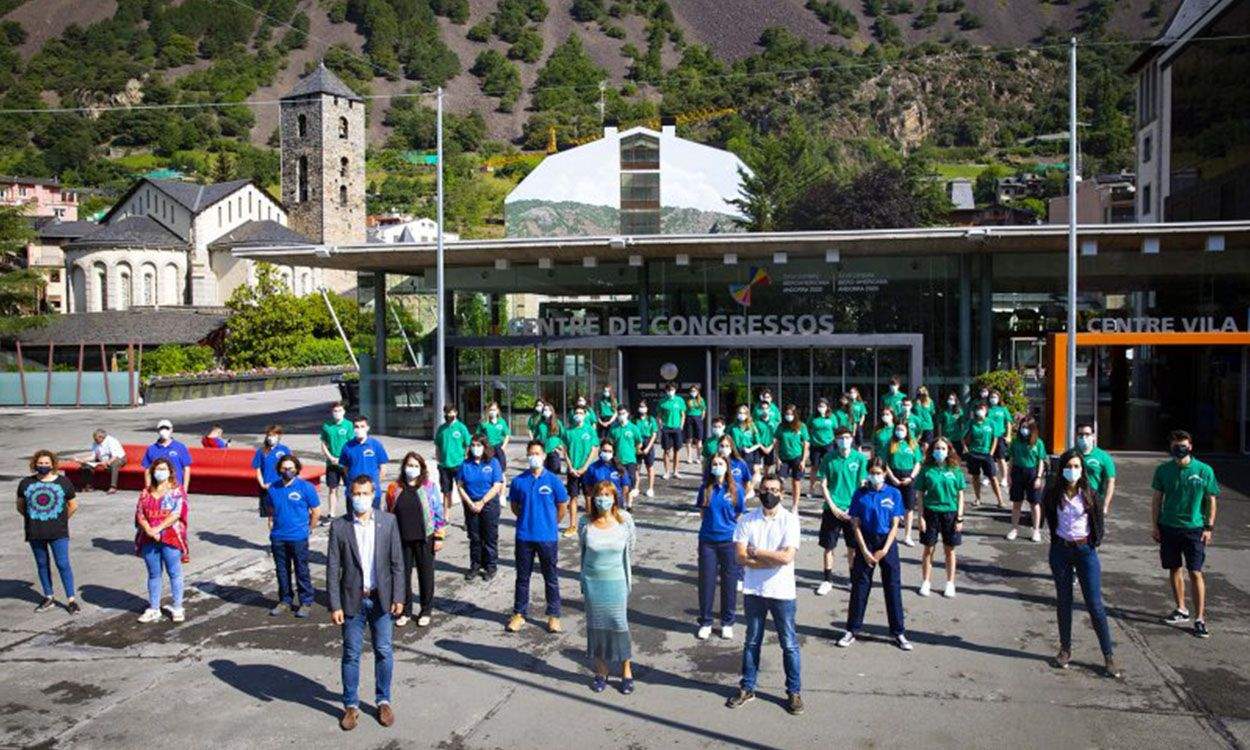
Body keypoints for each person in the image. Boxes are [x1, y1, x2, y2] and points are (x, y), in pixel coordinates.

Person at [327, 476, 405, 731]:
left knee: (384, 650)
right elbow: (332, 568)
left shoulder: (388, 522)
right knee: (351, 654)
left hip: (381, 600)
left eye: (365, 493)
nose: (360, 498)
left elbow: (397, 564)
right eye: (356, 494)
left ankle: (383, 700)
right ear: (350, 495)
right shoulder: (339, 526)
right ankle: (351, 705)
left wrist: (398, 597)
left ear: (374, 494)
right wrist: (334, 604)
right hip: (352, 600)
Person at [726, 475, 803, 715]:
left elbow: (787, 557)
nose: (769, 493)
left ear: (782, 493)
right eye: (765, 489)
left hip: (782, 592)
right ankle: (747, 688)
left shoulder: (790, 521)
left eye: (774, 489)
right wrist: (770, 560)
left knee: (789, 644)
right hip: (754, 591)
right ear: (759, 492)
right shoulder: (747, 520)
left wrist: (757, 553)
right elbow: (740, 556)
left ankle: (794, 692)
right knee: (752, 641)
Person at [1042, 451, 1119, 678]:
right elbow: (1050, 518)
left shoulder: (1090, 494)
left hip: (1085, 552)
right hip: (1061, 551)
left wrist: (1092, 543)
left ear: (1082, 469)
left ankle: (1108, 656)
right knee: (1063, 601)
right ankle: (1065, 650)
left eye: (1077, 466)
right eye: (1069, 466)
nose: (1072, 470)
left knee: (1094, 604)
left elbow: (1098, 524)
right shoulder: (1053, 494)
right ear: (1062, 468)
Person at [1151, 430, 1219, 639]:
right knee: (1174, 568)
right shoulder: (1163, 470)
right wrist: (1155, 526)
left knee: (1195, 571)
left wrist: (1208, 527)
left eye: (1182, 444)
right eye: (1175, 444)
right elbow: (1157, 499)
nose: (1178, 448)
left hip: (1194, 529)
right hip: (1169, 526)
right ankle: (1181, 608)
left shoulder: (1204, 470)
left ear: (1190, 446)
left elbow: (1211, 500)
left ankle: (1200, 619)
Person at [838, 458, 911, 651]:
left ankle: (898, 632)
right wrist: (864, 550)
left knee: (892, 586)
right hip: (866, 541)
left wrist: (885, 550)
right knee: (860, 587)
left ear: (885, 473)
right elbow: (855, 524)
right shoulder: (860, 494)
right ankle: (852, 630)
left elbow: (896, 524)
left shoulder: (894, 493)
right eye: (872, 472)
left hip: (887, 542)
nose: (875, 476)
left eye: (879, 472)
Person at [506, 441, 570, 634]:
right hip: (524, 536)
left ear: (543, 456)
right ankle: (519, 614)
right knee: (522, 578)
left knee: (550, 578)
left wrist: (551, 523)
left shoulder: (553, 480)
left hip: (547, 537)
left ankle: (554, 615)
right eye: (530, 453)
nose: (534, 456)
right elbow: (515, 507)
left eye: (537, 453)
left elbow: (562, 506)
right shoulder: (518, 481)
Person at [579, 481, 637, 694]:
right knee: (597, 626)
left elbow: (631, 547)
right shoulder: (586, 522)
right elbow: (583, 550)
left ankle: (626, 670)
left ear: (614, 498)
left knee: (619, 625)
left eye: (607, 494)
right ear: (593, 498)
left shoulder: (625, 520)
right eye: (599, 495)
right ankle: (601, 671)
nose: (603, 498)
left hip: (617, 581)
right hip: (593, 582)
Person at [386, 452, 446, 627]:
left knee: (425, 575)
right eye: (409, 465)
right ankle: (405, 610)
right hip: (401, 539)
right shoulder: (394, 488)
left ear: (421, 469)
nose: (411, 469)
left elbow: (438, 512)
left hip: (424, 538)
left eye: (415, 466)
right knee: (402, 576)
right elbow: (388, 512)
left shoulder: (429, 486)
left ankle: (426, 610)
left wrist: (439, 536)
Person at [18, 450, 80, 614]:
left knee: (62, 564)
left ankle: (71, 599)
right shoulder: (26, 483)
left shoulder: (63, 482)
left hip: (58, 532)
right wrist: (35, 518)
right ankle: (49, 596)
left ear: (53, 464)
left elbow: (73, 506)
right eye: (40, 463)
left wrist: (60, 520)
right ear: (34, 464)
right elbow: (21, 506)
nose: (43, 466)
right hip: (35, 532)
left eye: (46, 463)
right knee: (42, 564)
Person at [696, 452, 745, 640]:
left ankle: (727, 622)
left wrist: (727, 527)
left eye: (720, 463)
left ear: (727, 467)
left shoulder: (735, 489)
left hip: (729, 542)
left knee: (729, 583)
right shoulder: (705, 488)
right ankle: (706, 622)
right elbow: (702, 512)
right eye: (714, 464)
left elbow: (739, 512)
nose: (717, 466)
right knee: (706, 583)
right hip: (708, 542)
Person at [264, 454, 320, 617]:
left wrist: (309, 528)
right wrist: (271, 525)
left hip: (298, 537)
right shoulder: (273, 488)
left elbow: (316, 512)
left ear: (296, 469)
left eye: (290, 468)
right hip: (278, 537)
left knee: (302, 570)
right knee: (282, 570)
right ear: (279, 469)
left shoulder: (306, 487)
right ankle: (285, 601)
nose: (287, 471)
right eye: (284, 468)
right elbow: (271, 510)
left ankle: (306, 602)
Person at [134, 457, 189, 624]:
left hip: (171, 537)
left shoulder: (176, 491)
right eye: (157, 469)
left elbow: (176, 514)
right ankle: (154, 608)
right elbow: (140, 514)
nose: (160, 472)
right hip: (149, 538)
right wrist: (149, 530)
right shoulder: (145, 492)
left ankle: (178, 607)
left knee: (174, 572)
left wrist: (158, 529)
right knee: (153, 573)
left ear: (170, 472)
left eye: (164, 469)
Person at [815, 428, 866, 597]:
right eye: (840, 438)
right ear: (836, 440)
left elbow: (862, 484)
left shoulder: (859, 458)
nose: (844, 440)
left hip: (852, 510)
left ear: (851, 439)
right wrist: (833, 506)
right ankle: (827, 580)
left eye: (846, 437)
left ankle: (852, 579)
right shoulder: (829, 458)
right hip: (832, 509)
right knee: (829, 546)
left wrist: (853, 508)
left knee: (852, 547)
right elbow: (823, 484)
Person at [915, 438, 965, 598]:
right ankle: (926, 581)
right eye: (937, 448)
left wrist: (960, 518)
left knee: (949, 549)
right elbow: (920, 495)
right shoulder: (926, 469)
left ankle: (950, 583)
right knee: (928, 548)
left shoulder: (955, 470)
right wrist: (920, 517)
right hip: (931, 513)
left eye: (943, 448)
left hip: (950, 513)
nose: (940, 451)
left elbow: (960, 494)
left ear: (949, 450)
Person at [458, 436, 505, 582]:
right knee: (475, 538)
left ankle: (491, 567)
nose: (475, 447)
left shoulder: (493, 463)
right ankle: (475, 566)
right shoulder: (465, 464)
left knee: (490, 537)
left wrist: (482, 502)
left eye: (478, 445)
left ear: (485, 446)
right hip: (471, 504)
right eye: (473, 445)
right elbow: (460, 485)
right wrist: (470, 503)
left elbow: (497, 485)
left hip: (489, 504)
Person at [1007, 416, 1047, 542]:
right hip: (1018, 471)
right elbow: (1012, 459)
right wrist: (1009, 475)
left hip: (1032, 473)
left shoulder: (1038, 443)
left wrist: (1039, 477)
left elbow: (1041, 461)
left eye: (1027, 427)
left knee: (1034, 503)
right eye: (1022, 427)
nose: (1024, 430)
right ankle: (1014, 529)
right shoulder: (1015, 441)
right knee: (1016, 502)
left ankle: (1036, 530)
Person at [562, 405, 598, 537]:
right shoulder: (568, 431)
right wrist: (570, 467)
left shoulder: (590, 430)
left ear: (585, 415)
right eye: (576, 412)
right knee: (573, 497)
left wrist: (585, 467)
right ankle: (572, 525)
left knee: (588, 497)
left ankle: (589, 524)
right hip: (572, 471)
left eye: (581, 412)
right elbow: (564, 450)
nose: (578, 414)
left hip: (587, 470)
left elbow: (594, 449)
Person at [338, 416, 389, 509]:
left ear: (367, 428)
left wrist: (374, 484)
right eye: (356, 427)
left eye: (362, 426)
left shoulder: (376, 445)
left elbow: (383, 468)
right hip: (353, 493)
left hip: (372, 493)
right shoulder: (347, 446)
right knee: (352, 521)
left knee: (373, 520)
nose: (359, 429)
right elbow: (345, 468)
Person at [885, 420, 922, 548]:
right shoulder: (891, 444)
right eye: (897, 429)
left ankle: (907, 535)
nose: (899, 432)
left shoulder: (912, 444)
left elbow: (917, 463)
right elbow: (885, 464)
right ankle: (891, 535)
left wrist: (911, 477)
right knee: (891, 506)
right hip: (893, 476)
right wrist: (892, 478)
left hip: (909, 476)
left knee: (909, 507)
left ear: (907, 432)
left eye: (902, 430)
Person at [962, 402, 1005, 507]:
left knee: (992, 477)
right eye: (979, 408)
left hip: (986, 454)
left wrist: (991, 452)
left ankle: (1000, 500)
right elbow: (962, 437)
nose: (980, 410)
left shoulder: (991, 423)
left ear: (986, 411)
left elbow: (995, 438)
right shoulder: (971, 422)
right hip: (974, 453)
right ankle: (977, 498)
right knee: (975, 476)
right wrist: (966, 449)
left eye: (983, 408)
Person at [434, 405, 473, 515]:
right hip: (444, 465)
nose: (449, 415)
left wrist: (465, 457)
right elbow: (437, 445)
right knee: (446, 492)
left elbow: (468, 444)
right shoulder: (441, 429)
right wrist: (438, 458)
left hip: (458, 464)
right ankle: (446, 515)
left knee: (462, 491)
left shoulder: (461, 427)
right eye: (447, 412)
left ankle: (467, 517)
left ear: (456, 412)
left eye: (451, 412)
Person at [320, 402, 353, 520]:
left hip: (345, 463)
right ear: (332, 412)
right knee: (332, 488)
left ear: (344, 412)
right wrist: (330, 457)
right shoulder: (327, 426)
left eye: (339, 410)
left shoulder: (349, 425)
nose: (337, 413)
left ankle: (351, 513)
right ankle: (332, 513)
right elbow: (323, 443)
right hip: (331, 464)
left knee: (350, 488)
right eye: (335, 411)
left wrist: (341, 458)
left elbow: (351, 444)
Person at [1075, 423, 1117, 514]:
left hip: (1095, 502)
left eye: (1087, 434)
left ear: (1093, 436)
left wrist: (1105, 505)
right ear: (1076, 436)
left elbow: (1111, 481)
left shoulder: (1103, 457)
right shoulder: (1071, 455)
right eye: (1080, 435)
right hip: (1074, 501)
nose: (1084, 437)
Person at [252, 425, 292, 518]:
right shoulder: (261, 451)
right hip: (267, 487)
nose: (270, 438)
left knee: (282, 514)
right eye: (269, 435)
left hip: (281, 487)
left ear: (279, 436)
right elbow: (257, 469)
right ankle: (273, 533)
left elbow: (290, 468)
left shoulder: (284, 449)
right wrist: (262, 484)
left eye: (273, 436)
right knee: (271, 517)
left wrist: (289, 483)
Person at [607, 406, 643, 509]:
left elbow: (639, 443)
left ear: (627, 414)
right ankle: (619, 503)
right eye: (619, 414)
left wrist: (633, 451)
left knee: (629, 483)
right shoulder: (614, 428)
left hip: (630, 460)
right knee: (618, 482)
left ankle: (629, 504)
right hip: (617, 460)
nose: (621, 416)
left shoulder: (633, 428)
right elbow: (609, 443)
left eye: (623, 413)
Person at [142, 419, 191, 491]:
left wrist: (185, 488)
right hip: (157, 487)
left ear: (171, 430)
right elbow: (147, 469)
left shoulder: (180, 447)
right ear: (158, 431)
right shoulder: (152, 449)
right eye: (162, 429)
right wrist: (148, 487)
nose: (164, 431)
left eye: (167, 428)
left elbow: (186, 468)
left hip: (175, 487)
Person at [776, 405, 809, 510]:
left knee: (796, 482)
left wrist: (803, 461)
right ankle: (778, 503)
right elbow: (776, 443)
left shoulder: (801, 426)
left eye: (790, 414)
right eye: (786, 414)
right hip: (783, 458)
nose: (788, 416)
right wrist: (777, 458)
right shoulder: (781, 426)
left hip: (797, 457)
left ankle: (795, 506)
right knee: (780, 480)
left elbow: (806, 444)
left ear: (795, 415)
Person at [583, 439, 633, 503]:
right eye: (605, 451)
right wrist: (596, 497)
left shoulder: (620, 468)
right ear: (600, 450)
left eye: (610, 451)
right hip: (599, 502)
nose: (607, 453)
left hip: (616, 502)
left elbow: (625, 487)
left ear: (613, 452)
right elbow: (588, 485)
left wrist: (618, 499)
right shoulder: (593, 467)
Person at [78, 429, 127, 494]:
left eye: (96, 439)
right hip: (103, 460)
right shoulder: (96, 443)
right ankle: (88, 486)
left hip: (118, 459)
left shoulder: (111, 441)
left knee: (114, 464)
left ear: (101, 437)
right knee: (86, 465)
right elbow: (93, 456)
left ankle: (113, 487)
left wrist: (107, 463)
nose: (95, 441)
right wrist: (83, 460)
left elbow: (114, 456)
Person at [806, 398, 836, 497]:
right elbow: (807, 428)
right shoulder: (813, 417)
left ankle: (828, 489)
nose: (821, 408)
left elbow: (836, 429)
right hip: (815, 445)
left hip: (828, 445)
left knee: (828, 467)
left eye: (823, 406)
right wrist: (809, 439)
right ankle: (812, 489)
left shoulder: (831, 417)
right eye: (819, 406)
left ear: (827, 407)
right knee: (814, 467)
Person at [657, 382, 687, 480]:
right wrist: (661, 425)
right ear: (666, 391)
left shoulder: (680, 400)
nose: (671, 392)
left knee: (677, 450)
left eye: (672, 390)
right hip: (666, 429)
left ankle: (676, 471)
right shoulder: (662, 401)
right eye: (669, 390)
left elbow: (683, 414)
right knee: (666, 451)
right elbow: (659, 416)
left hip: (677, 428)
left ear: (675, 390)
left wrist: (681, 426)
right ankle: (666, 472)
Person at [476, 401, 511, 478]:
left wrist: (503, 447)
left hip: (499, 447)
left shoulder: (501, 421)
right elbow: (477, 436)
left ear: (498, 410)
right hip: (488, 447)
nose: (492, 412)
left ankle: (502, 489)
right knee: (488, 469)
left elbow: (507, 435)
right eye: (491, 410)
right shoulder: (483, 422)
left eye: (494, 410)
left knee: (501, 471)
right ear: (488, 411)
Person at [986, 389, 1013, 491]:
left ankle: (1004, 478)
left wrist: (1009, 435)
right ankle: (987, 476)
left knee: (1001, 458)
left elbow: (1009, 422)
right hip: (989, 436)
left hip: (1000, 435)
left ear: (999, 398)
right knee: (988, 457)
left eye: (995, 397)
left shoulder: (1003, 409)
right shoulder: (987, 409)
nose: (993, 399)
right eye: (991, 397)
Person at [730, 405, 762, 485]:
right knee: (736, 474)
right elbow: (727, 439)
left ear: (747, 414)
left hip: (748, 452)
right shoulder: (732, 427)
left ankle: (747, 493)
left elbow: (758, 443)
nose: (741, 415)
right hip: (735, 452)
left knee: (747, 476)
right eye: (740, 413)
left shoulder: (752, 426)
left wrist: (749, 450)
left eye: (744, 413)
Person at [752, 389, 781, 477]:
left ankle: (765, 478)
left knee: (768, 464)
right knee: (756, 465)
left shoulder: (774, 408)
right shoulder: (757, 408)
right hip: (759, 442)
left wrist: (772, 443)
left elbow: (778, 421)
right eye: (765, 397)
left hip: (770, 443)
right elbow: (753, 422)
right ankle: (757, 477)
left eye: (768, 397)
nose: (766, 398)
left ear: (771, 398)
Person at [635, 400, 659, 498]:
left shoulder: (651, 419)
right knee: (637, 467)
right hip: (638, 442)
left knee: (650, 467)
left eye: (644, 406)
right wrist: (637, 447)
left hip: (648, 442)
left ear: (647, 408)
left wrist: (648, 448)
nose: (642, 408)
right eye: (640, 406)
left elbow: (654, 434)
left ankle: (650, 488)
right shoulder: (634, 420)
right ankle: (636, 488)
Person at [684, 384, 707, 465]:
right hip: (689, 418)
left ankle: (698, 457)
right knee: (689, 439)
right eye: (691, 391)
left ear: (697, 391)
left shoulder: (701, 400)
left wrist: (701, 419)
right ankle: (689, 457)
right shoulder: (687, 400)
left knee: (699, 439)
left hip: (698, 419)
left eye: (694, 391)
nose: (692, 392)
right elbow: (684, 411)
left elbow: (704, 410)